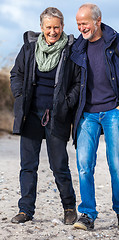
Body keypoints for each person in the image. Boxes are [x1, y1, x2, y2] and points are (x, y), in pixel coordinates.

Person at [70, 3, 119, 230]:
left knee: (117, 165)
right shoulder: (77, 46)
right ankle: (87, 215)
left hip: (114, 112)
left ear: (97, 20)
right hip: (87, 114)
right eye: (78, 24)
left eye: (84, 23)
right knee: (84, 165)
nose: (81, 28)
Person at [10, 7, 80, 224]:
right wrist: (20, 94)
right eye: (48, 27)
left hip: (57, 116)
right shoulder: (29, 48)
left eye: (56, 27)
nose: (53, 31)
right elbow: (16, 74)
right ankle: (25, 210)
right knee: (28, 165)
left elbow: (78, 81)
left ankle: (69, 207)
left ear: (62, 27)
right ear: (41, 28)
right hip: (30, 114)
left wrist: (67, 103)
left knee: (59, 165)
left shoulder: (71, 50)